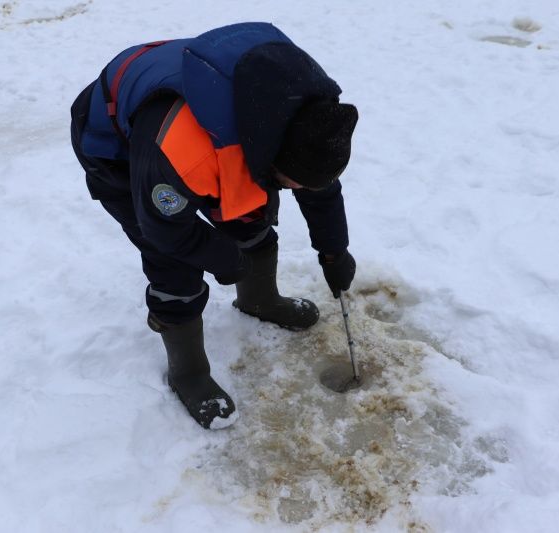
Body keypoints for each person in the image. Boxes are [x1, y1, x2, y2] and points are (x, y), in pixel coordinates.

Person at [70, 22, 358, 429]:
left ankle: (260, 300)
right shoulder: (180, 151)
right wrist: (227, 261)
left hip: (215, 123)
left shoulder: (305, 114)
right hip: (117, 145)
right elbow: (165, 231)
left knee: (250, 215)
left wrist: (334, 250)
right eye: (294, 182)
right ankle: (188, 373)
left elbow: (319, 187)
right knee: (174, 267)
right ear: (273, 157)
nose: (300, 189)